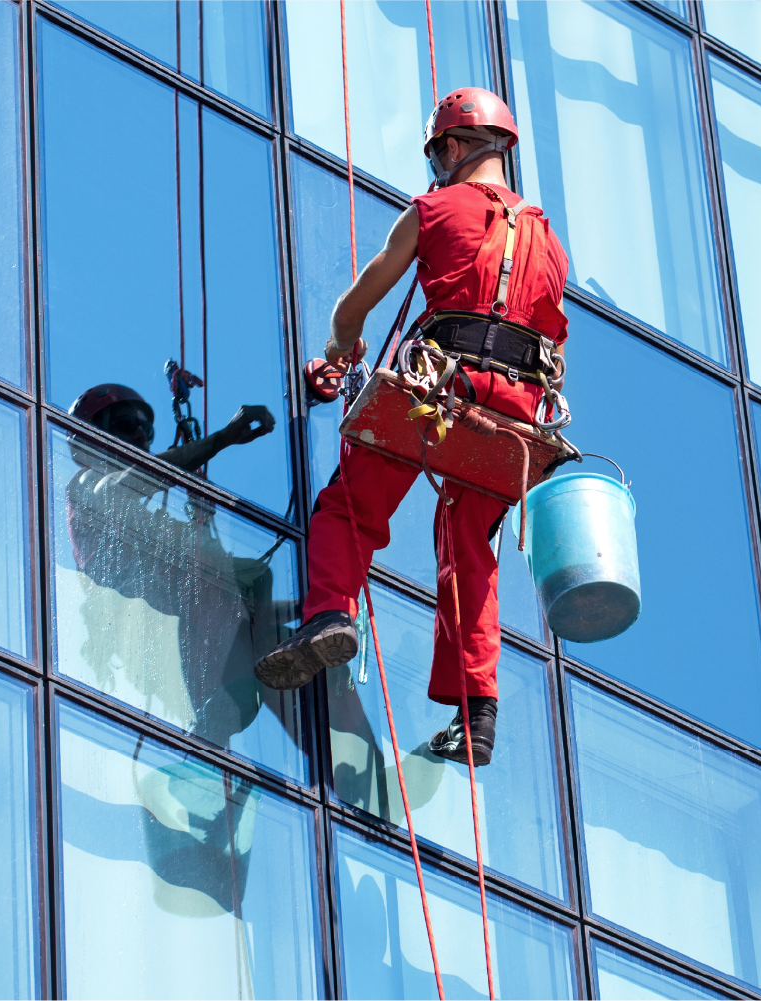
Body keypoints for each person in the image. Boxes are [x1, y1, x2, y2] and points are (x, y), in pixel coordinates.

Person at [253, 88, 570, 768]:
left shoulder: (433, 209)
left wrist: (342, 349)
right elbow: (547, 333)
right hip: (512, 418)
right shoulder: (550, 244)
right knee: (469, 548)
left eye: (440, 152)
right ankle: (475, 712)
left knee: (350, 505)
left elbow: (358, 301)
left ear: (453, 147)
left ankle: (329, 613)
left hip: (438, 391)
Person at [64, 383, 291, 747]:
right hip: (141, 601)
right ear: (89, 439)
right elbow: (137, 479)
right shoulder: (88, 484)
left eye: (145, 429)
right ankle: (223, 712)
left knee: (259, 578)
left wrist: (304, 609)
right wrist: (221, 438)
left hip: (180, 600)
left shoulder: (137, 515)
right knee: (245, 592)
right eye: (125, 424)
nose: (140, 434)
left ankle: (254, 679)